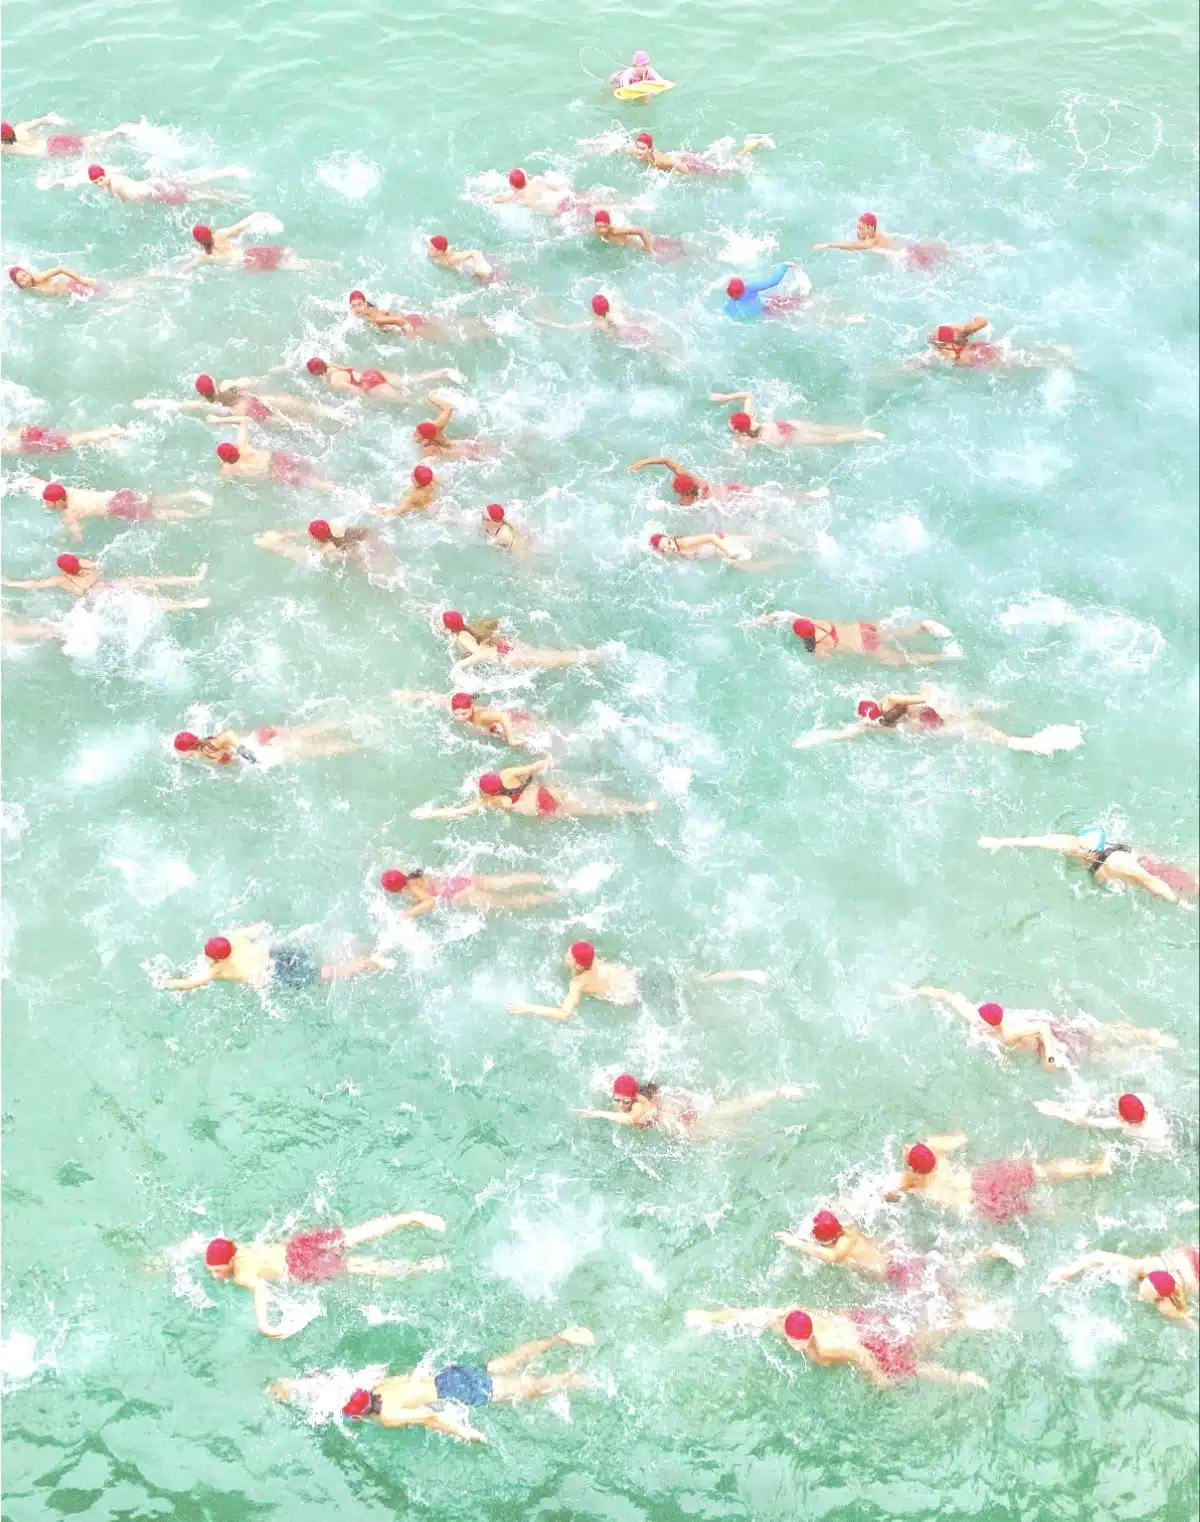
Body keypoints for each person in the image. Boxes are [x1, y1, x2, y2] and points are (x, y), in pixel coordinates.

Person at [270, 1325, 598, 1441]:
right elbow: (333, 1385)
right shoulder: (378, 1389)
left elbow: (430, 1418)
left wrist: (466, 1432)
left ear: (359, 1416)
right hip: (448, 1375)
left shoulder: (388, 1416)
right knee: (507, 1361)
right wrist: (293, 1385)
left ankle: (578, 1380)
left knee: (527, 1388)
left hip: (460, 1392)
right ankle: (558, 1338)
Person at [201, 1213, 446, 1339]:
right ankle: (411, 1218)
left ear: (231, 1262)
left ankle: (420, 1267)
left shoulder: (241, 1275)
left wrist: (263, 1324)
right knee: (354, 1235)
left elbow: (260, 1288)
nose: (214, 1274)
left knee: (357, 1266)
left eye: (217, 1269)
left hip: (299, 1266)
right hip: (296, 1245)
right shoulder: (241, 1248)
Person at [684, 1305, 991, 1390]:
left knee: (910, 1367)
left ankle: (961, 1377)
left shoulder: (828, 1348)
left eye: (795, 1341)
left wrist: (877, 1380)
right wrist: (709, 1317)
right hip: (859, 1322)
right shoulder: (788, 1318)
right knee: (914, 1339)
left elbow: (859, 1354)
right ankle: (963, 1321)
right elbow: (746, 1314)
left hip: (863, 1342)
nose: (791, 1344)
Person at [897, 984, 1177, 1074]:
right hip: (1049, 1026)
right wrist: (914, 992)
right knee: (1097, 1035)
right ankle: (1147, 1036)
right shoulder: (980, 1018)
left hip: (1052, 1038)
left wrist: (1049, 1059)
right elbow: (949, 996)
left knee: (1096, 1048)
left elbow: (1042, 1029)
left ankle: (1148, 1046)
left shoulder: (1007, 1033)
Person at [886, 1133, 1111, 1223]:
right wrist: (932, 1140)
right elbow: (961, 1137)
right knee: (1041, 1171)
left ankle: (1085, 1213)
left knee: (1034, 1209)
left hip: (978, 1205)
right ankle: (1094, 1168)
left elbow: (887, 1194)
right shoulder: (937, 1152)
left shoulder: (911, 1180)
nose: (907, 1146)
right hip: (985, 1180)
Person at [775, 1210, 1023, 1289]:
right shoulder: (847, 1230)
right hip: (893, 1254)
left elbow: (829, 1257)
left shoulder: (841, 1246)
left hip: (896, 1270)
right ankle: (987, 1252)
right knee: (941, 1266)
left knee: (947, 1276)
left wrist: (796, 1243)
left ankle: (990, 1252)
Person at [795, 687, 1082, 752]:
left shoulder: (877, 726)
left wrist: (814, 738)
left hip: (928, 731)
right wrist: (931, 696)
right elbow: (926, 693)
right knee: (972, 716)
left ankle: (1015, 740)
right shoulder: (896, 704)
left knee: (974, 727)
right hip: (932, 716)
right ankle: (1015, 737)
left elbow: (842, 735)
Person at [977, 827, 1198, 905]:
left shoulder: (1117, 863)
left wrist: (1176, 902)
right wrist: (1001, 842)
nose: (1078, 850)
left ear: (1095, 851)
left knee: (1189, 886)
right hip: (1127, 868)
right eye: (1079, 845)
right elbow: (1039, 841)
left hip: (1144, 869)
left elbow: (1150, 881)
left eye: (1084, 849)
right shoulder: (1072, 844)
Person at [159, 923, 396, 992]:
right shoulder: (235, 938)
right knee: (320, 960)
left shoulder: (216, 969)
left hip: (276, 972)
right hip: (278, 953)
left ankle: (370, 963)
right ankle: (362, 952)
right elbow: (259, 927)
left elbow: (190, 984)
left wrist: (166, 982)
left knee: (327, 973)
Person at [413, 761, 657, 824]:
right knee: (594, 800)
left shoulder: (492, 801)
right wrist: (549, 759)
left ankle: (636, 810)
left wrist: (431, 812)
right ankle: (639, 807)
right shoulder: (508, 775)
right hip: (546, 792)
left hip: (542, 809)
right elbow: (537, 766)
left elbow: (460, 812)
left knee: (593, 811)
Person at [579, 1071, 805, 1138]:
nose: (620, 1104)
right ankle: (776, 1093)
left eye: (624, 1100)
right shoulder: (634, 1095)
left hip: (687, 1125)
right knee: (730, 1108)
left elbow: (629, 1119)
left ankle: (776, 1130)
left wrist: (598, 1113)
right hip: (682, 1108)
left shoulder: (638, 1108)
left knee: (736, 1133)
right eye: (616, 1099)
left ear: (634, 1096)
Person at [9, 475, 211, 541]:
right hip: (118, 495)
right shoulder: (65, 491)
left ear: (57, 502)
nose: (45, 504)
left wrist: (65, 540)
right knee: (157, 500)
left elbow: (77, 538)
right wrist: (11, 485)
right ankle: (191, 495)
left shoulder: (68, 513)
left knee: (158, 515)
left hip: (118, 509)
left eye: (47, 502)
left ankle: (193, 516)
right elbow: (33, 480)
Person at [1046, 1246, 1199, 1329]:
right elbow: (1099, 1256)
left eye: (1144, 1297)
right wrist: (1068, 1271)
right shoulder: (1142, 1267)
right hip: (1187, 1257)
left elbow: (1189, 1324)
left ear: (1159, 1299)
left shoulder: (1167, 1304)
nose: (1138, 1297)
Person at [742, 609, 960, 665]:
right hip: (863, 628)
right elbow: (784, 614)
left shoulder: (817, 646)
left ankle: (943, 657)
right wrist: (760, 621)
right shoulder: (814, 620)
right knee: (896, 635)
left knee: (899, 661)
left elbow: (829, 662)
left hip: (862, 644)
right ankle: (923, 626)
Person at [4, 552, 208, 611]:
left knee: (150, 603)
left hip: (103, 599)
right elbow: (92, 563)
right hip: (109, 585)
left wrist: (8, 583)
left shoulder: (61, 581)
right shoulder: (87, 566)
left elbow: (34, 584)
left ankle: (189, 604)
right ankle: (192, 579)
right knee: (149, 581)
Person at [436, 608, 603, 677]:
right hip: (506, 646)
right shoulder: (465, 629)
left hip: (505, 656)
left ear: (449, 628)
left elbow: (480, 654)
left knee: (550, 660)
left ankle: (589, 657)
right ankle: (584, 655)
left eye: (441, 623)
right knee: (546, 656)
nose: (438, 625)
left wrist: (459, 666)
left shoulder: (461, 638)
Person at [134, 373, 345, 426]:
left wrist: (150, 402)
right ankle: (333, 413)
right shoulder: (227, 385)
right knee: (301, 406)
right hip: (256, 401)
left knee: (290, 424)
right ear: (214, 383)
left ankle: (317, 426)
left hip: (245, 412)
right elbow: (252, 381)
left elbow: (179, 405)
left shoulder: (210, 406)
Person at [505, 940, 639, 1021]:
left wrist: (529, 1007)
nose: (565, 956)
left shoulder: (578, 983)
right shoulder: (593, 958)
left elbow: (563, 1014)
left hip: (630, 998)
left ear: (579, 965)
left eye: (569, 958)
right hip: (634, 977)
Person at [629, 456, 829, 509]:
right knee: (770, 496)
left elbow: (679, 511)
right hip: (733, 489)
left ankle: (808, 498)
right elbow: (666, 461)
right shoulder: (693, 479)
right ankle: (810, 495)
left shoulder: (689, 502)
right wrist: (642, 463)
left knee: (773, 504)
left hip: (734, 504)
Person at [710, 391, 883, 446]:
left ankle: (866, 435)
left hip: (788, 437)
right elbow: (748, 395)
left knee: (832, 439)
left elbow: (737, 454)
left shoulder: (743, 439)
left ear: (739, 429)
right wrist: (723, 397)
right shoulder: (749, 417)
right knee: (824, 428)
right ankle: (857, 428)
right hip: (786, 425)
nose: (729, 423)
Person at [172, 720, 360, 769]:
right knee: (306, 731)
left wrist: (242, 750)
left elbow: (228, 735)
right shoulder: (201, 748)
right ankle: (351, 721)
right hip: (262, 737)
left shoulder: (208, 749)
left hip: (264, 750)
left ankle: (362, 746)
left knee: (320, 750)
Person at [391, 689, 543, 748]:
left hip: (512, 723)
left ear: (471, 708)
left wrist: (511, 739)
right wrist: (409, 696)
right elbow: (432, 695)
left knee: (539, 735)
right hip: (494, 725)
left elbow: (503, 716)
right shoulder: (453, 705)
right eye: (456, 714)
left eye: (463, 714)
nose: (459, 718)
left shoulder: (480, 715)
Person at [380, 866, 555, 915]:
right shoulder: (413, 876)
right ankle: (548, 878)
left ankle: (550, 897)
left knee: (511, 903)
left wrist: (408, 913)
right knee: (505, 882)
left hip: (462, 895)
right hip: (462, 881)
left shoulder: (412, 890)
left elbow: (431, 902)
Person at [1033, 1093, 1173, 1154]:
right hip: (1166, 1139)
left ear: (1122, 1118)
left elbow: (1083, 1122)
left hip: (1157, 1152)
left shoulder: (1120, 1124)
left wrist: (1054, 1111)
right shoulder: (1151, 1108)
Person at [915, 317, 1071, 369]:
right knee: (1025, 353)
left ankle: (1063, 360)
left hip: (983, 360)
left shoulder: (943, 354)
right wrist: (971, 323)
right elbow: (981, 321)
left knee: (1024, 362)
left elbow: (919, 363)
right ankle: (1061, 352)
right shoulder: (960, 334)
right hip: (986, 349)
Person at [214, 420, 332, 488]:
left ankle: (333, 488)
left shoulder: (229, 469)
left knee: (310, 482)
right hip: (277, 457)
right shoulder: (241, 446)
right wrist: (218, 420)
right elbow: (243, 421)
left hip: (275, 473)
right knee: (313, 465)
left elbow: (227, 483)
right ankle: (331, 474)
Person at [813, 211, 948, 269]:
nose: (857, 230)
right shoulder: (875, 234)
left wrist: (828, 244)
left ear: (870, 228)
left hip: (903, 259)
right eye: (857, 227)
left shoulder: (870, 242)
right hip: (904, 251)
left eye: (861, 228)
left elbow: (852, 246)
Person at [306, 356, 464, 404]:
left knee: (408, 401)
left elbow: (356, 390)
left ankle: (446, 400)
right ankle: (442, 373)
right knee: (408, 381)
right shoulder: (333, 365)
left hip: (371, 385)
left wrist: (370, 401)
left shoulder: (335, 380)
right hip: (372, 373)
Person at [187, 218, 326, 272]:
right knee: (289, 255)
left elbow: (189, 266)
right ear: (210, 232)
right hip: (252, 252)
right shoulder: (220, 235)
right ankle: (326, 266)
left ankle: (322, 270)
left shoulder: (205, 255)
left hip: (249, 262)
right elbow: (239, 228)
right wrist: (256, 216)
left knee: (291, 265)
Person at [255, 519, 390, 575]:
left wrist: (277, 547)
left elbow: (307, 555)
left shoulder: (328, 548)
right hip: (360, 536)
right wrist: (284, 535)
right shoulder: (332, 527)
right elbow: (306, 532)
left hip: (359, 555)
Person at [347, 289, 488, 341]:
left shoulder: (375, 317)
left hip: (413, 325)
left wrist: (411, 337)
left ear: (365, 304)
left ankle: (487, 333)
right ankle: (479, 321)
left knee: (451, 337)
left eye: (359, 305)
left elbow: (398, 319)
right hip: (413, 317)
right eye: (354, 306)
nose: (357, 309)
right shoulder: (371, 309)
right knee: (452, 325)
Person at [86, 162, 247, 205]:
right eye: (95, 183)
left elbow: (138, 198)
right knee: (194, 183)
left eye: (100, 180)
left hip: (155, 192)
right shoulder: (114, 178)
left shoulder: (115, 187)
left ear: (104, 175)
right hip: (154, 183)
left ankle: (229, 198)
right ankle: (229, 171)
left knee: (195, 197)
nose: (99, 184)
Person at [535, 292, 658, 348]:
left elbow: (569, 328)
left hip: (628, 339)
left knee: (652, 348)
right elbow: (627, 315)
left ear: (595, 311)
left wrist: (547, 322)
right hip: (637, 328)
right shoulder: (615, 308)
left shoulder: (598, 323)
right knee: (656, 344)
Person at [629, 131, 774, 176]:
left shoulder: (658, 162)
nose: (638, 151)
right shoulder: (638, 153)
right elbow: (625, 148)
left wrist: (690, 180)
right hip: (681, 156)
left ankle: (753, 144)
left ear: (650, 149)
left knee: (721, 173)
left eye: (642, 149)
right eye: (637, 147)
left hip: (686, 162)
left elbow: (677, 164)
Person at [1, 114, 134, 158]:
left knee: (91, 150)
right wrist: (55, 120)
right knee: (87, 141)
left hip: (49, 151)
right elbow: (44, 119)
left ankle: (117, 139)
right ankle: (113, 133)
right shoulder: (20, 128)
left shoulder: (4, 146)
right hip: (52, 140)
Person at [414, 392, 489, 459]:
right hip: (461, 443)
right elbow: (447, 409)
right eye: (415, 432)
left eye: (416, 435)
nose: (413, 435)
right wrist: (432, 398)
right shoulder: (436, 426)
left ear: (426, 440)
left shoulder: (430, 449)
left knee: (486, 454)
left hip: (459, 451)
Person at [722, 264, 811, 320]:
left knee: (784, 305)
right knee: (785, 304)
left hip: (762, 307)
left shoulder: (730, 304)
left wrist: (785, 266)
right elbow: (773, 281)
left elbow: (773, 281)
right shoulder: (749, 289)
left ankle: (805, 304)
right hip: (763, 307)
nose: (735, 296)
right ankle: (805, 303)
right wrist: (784, 266)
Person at [591, 209, 682, 259]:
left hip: (651, 244)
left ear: (609, 224)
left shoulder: (615, 231)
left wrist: (650, 250)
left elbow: (642, 231)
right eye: (599, 226)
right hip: (642, 248)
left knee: (681, 253)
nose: (602, 230)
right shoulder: (595, 231)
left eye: (605, 226)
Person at [648, 531, 759, 566]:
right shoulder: (675, 553)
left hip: (721, 546)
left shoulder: (683, 543)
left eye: (669, 542)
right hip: (717, 550)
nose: (670, 547)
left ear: (671, 538)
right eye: (665, 548)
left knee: (757, 540)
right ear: (662, 553)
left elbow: (710, 537)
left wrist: (728, 552)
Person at [3, 424, 128, 454]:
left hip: (31, 440)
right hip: (28, 434)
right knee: (73, 439)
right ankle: (110, 433)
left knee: (72, 441)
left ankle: (112, 432)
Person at [426, 234, 502, 282]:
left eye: (432, 249)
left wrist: (478, 270)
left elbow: (475, 252)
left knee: (496, 281)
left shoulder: (451, 259)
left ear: (440, 252)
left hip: (478, 266)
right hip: (469, 267)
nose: (428, 250)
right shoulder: (435, 254)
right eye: (429, 247)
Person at [372, 465, 438, 518]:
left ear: (416, 482)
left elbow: (394, 513)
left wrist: (373, 510)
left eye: (413, 474)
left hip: (418, 512)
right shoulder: (432, 481)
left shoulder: (413, 497)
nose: (412, 473)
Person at [8, 263, 105, 298]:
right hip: (71, 293)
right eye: (21, 280)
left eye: (24, 275)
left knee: (108, 295)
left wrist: (81, 280)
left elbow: (60, 269)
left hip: (74, 285)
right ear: (18, 284)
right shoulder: (27, 289)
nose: (25, 280)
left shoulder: (38, 278)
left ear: (28, 273)